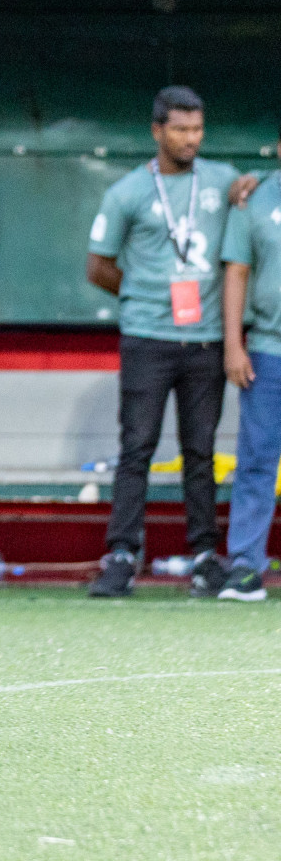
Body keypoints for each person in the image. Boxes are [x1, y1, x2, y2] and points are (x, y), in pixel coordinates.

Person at [85, 86, 256, 598]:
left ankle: (204, 555)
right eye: (180, 129)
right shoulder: (127, 193)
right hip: (147, 338)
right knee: (136, 448)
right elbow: (98, 267)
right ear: (157, 130)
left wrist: (249, 184)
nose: (190, 139)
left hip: (205, 340)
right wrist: (142, 296)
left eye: (198, 129)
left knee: (200, 451)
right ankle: (121, 555)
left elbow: (250, 190)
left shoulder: (222, 179)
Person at [218, 142, 281, 602]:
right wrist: (234, 344)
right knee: (257, 461)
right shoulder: (253, 198)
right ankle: (245, 566)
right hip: (268, 348)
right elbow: (237, 272)